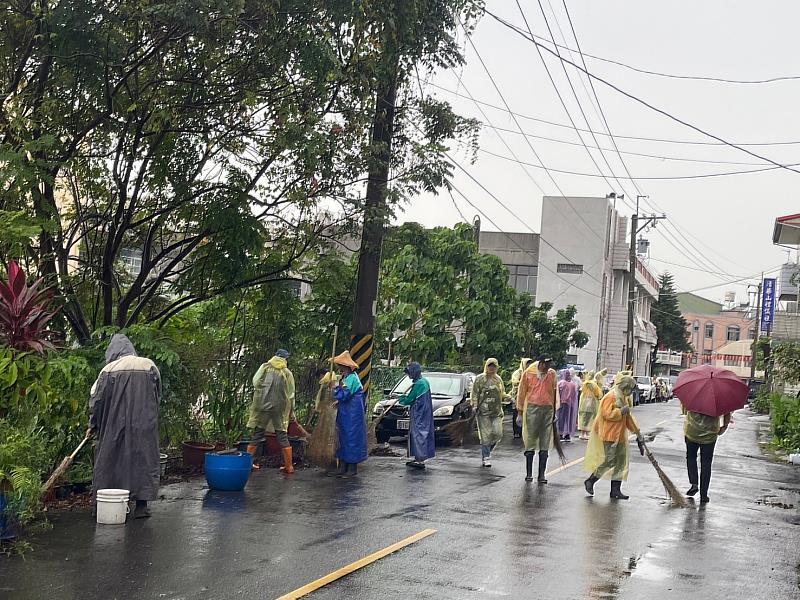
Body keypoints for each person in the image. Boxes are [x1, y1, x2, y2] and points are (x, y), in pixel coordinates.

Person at [89, 334, 161, 519]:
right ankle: (141, 506)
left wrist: (93, 424)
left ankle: (103, 505)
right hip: (144, 423)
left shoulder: (108, 370)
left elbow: (96, 400)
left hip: (113, 425)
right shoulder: (149, 365)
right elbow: (157, 395)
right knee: (143, 460)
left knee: (109, 461)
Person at [583, 373, 645, 500]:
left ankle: (615, 490)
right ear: (625, 386)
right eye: (631, 389)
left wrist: (637, 433)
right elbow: (606, 414)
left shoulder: (623, 397)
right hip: (609, 434)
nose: (631, 392)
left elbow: (628, 420)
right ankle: (591, 480)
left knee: (621, 463)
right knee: (610, 460)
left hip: (620, 435)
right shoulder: (611, 396)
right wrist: (620, 412)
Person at [247, 349, 296, 474]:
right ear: (285, 358)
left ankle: (247, 464)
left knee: (258, 432)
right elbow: (291, 394)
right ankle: (289, 466)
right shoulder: (286, 372)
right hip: (280, 408)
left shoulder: (264, 367)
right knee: (281, 434)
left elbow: (255, 382)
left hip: (263, 405)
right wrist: (292, 410)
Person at [516, 355, 559, 483]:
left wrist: (555, 409)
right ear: (540, 363)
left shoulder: (552, 374)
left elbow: (555, 392)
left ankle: (541, 475)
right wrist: (520, 411)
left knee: (545, 442)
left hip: (547, 410)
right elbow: (522, 392)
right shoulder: (528, 373)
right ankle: (529, 473)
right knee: (530, 440)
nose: (547, 367)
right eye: (546, 364)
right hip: (532, 409)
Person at [330, 351, 368, 477]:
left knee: (351, 438)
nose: (339, 368)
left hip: (352, 415)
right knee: (343, 438)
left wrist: (334, 387)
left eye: (340, 366)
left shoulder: (351, 378)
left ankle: (351, 468)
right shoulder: (347, 378)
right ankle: (343, 466)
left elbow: (344, 395)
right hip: (346, 413)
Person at [683, 406, 732, 503]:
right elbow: (727, 411)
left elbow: (685, 410)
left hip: (692, 432)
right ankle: (704, 494)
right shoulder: (718, 397)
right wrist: (724, 426)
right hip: (710, 434)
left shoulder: (693, 393)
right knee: (706, 464)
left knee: (691, 458)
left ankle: (694, 484)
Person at [398, 362, 435, 469]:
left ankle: (420, 460)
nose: (408, 375)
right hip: (424, 413)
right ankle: (419, 458)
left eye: (409, 373)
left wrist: (401, 399)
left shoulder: (419, 384)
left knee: (418, 434)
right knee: (422, 433)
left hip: (419, 413)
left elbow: (410, 399)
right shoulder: (423, 382)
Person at [471, 358, 507, 467]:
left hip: (496, 411)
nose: (492, 368)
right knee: (486, 435)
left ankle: (488, 450)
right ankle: (486, 457)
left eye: (494, 366)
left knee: (497, 433)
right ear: (486, 366)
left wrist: (508, 398)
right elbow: (475, 393)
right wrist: (475, 405)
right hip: (483, 412)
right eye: (490, 366)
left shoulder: (498, 379)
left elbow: (502, 393)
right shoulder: (479, 379)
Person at [509, 358, 532, 439]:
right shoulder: (518, 372)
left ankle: (524, 430)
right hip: (517, 396)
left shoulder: (531, 372)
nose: (529, 365)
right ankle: (516, 431)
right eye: (527, 363)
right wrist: (522, 383)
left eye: (530, 363)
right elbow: (514, 381)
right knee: (517, 412)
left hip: (527, 396)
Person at [578, 370, 602, 440]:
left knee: (586, 418)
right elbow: (593, 393)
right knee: (586, 418)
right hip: (588, 403)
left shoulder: (587, 383)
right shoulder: (589, 383)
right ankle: (583, 433)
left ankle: (585, 433)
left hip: (586, 402)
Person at [556, 369, 578, 442]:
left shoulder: (561, 383)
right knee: (568, 419)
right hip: (570, 404)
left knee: (560, 419)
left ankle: (560, 433)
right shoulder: (572, 384)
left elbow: (557, 394)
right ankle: (567, 434)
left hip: (561, 403)